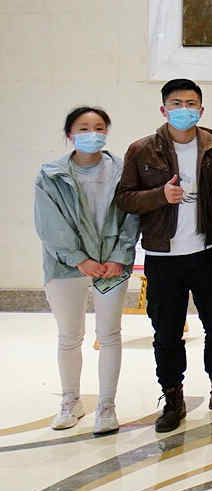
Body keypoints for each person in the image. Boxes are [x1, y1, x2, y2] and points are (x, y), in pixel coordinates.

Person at [115, 79, 212, 433]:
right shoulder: (142, 150)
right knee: (167, 331)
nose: (184, 109)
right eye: (176, 103)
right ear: (163, 109)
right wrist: (159, 196)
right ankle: (172, 396)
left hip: (209, 251)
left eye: (191, 103)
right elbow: (124, 198)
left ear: (201, 109)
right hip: (163, 255)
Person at [35, 107, 139, 434]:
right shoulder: (50, 175)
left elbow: (132, 216)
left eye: (99, 127)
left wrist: (120, 256)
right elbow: (49, 224)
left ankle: (107, 406)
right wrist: (80, 259)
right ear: (70, 134)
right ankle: (70, 401)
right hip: (65, 266)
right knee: (69, 336)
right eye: (83, 128)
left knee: (109, 335)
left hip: (112, 265)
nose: (92, 133)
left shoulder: (123, 171)